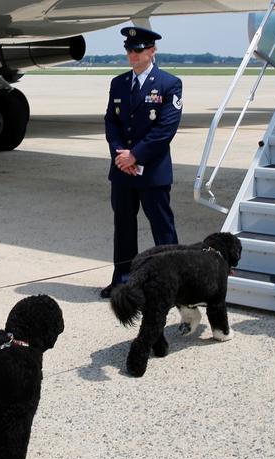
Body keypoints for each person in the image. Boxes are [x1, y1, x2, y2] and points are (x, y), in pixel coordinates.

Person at [100, 26, 183, 298]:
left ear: (151, 51)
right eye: (128, 50)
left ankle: (174, 283)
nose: (131, 55)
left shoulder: (169, 84)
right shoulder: (119, 83)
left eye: (137, 50)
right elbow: (111, 122)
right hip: (123, 171)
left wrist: (135, 155)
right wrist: (119, 154)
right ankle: (123, 281)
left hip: (152, 173)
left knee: (163, 230)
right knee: (123, 228)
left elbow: (165, 129)